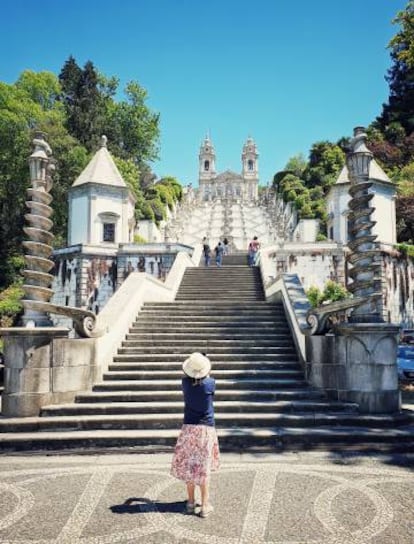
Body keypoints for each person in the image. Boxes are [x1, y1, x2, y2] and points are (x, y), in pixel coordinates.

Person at [171, 352, 220, 518]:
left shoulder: (184, 383)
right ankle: (205, 505)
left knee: (190, 467)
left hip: (189, 428)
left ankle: (191, 502)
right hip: (205, 429)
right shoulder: (211, 383)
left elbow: (192, 379)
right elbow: (206, 380)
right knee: (203, 467)